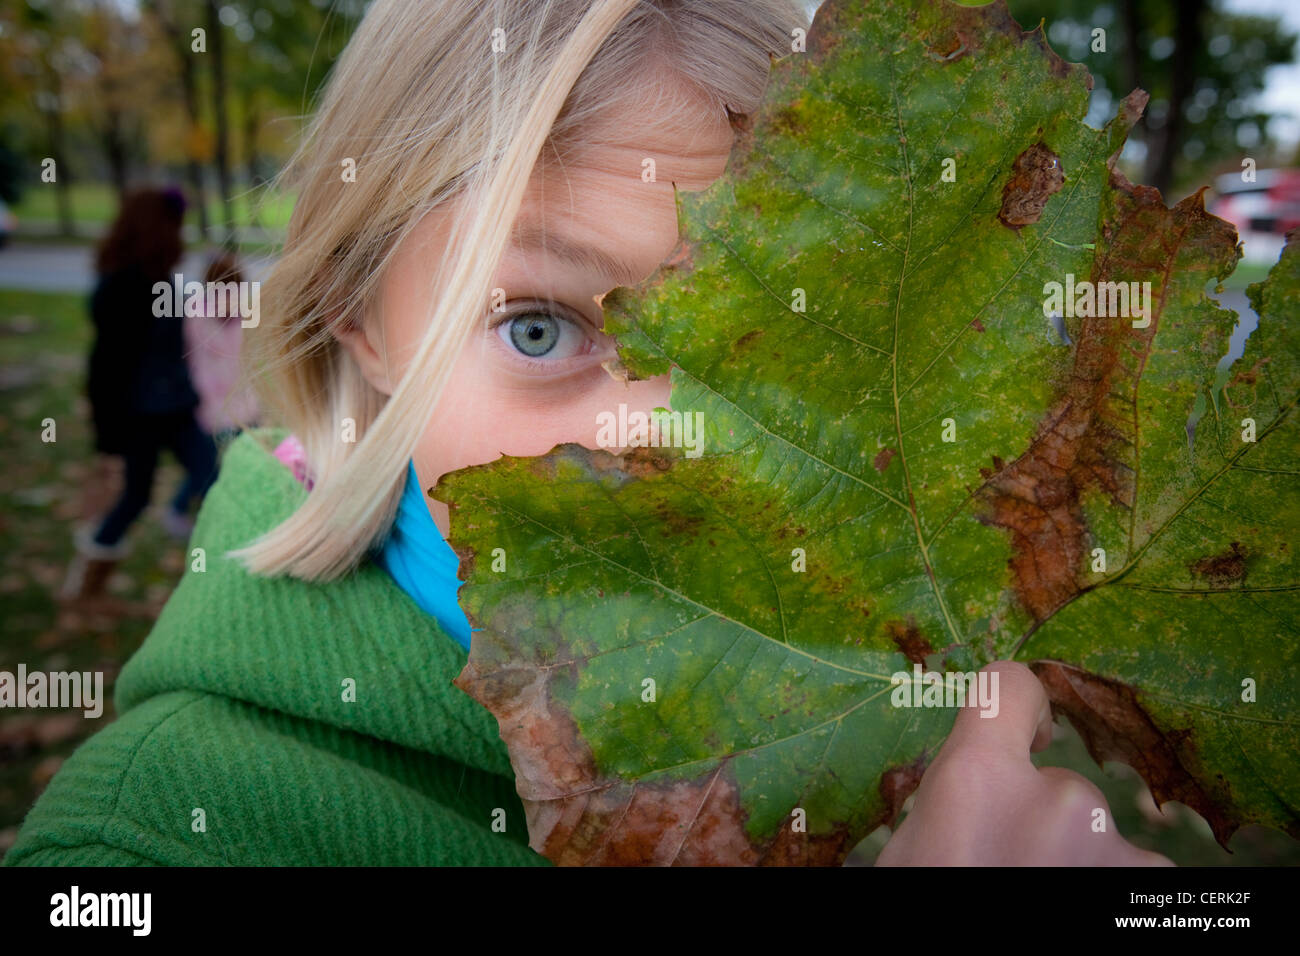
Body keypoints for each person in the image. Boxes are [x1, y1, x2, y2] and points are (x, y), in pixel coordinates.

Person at [8, 0, 1169, 866]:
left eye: (752, 349)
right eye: (538, 328)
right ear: (354, 318)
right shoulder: (148, 844)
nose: (665, 444)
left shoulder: (855, 750)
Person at [62, 188, 219, 601]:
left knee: (214, 478)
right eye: (176, 226)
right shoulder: (122, 287)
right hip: (139, 416)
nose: (181, 235)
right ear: (158, 228)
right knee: (135, 497)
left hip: (178, 410)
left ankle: (220, 578)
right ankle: (87, 581)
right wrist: (107, 434)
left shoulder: (160, 278)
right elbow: (105, 367)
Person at [166, 251, 260, 529]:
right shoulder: (238, 311)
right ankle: (193, 511)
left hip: (220, 399)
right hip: (227, 400)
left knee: (213, 465)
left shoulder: (200, 311)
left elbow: (192, 356)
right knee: (216, 465)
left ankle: (189, 510)